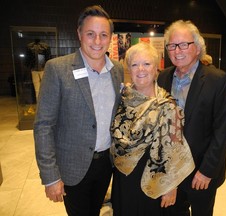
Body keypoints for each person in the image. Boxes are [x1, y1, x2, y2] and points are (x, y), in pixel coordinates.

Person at [33, 5, 124, 216]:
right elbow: (43, 125)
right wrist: (51, 176)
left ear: (110, 37)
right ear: (79, 34)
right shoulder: (57, 69)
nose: (97, 41)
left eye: (103, 35)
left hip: (106, 165)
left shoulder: (117, 70)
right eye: (91, 34)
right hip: (72, 167)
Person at [157, 20, 226, 216]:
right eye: (172, 45)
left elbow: (223, 131)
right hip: (172, 172)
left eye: (184, 44)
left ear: (197, 47)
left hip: (200, 173)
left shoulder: (217, 80)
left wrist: (207, 170)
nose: (177, 50)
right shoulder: (163, 78)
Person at [110, 42, 195, 216]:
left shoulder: (167, 105)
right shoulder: (122, 98)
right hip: (124, 177)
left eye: (147, 64)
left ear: (156, 67)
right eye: (134, 64)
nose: (141, 69)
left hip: (154, 178)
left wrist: (171, 187)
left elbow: (174, 150)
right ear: (129, 69)